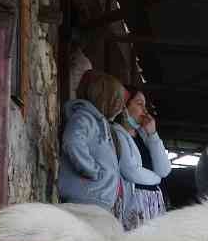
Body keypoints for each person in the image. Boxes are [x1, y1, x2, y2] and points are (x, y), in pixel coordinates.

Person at [57, 71, 130, 219]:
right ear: (105, 98)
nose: (121, 108)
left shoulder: (100, 122)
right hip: (84, 203)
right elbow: (72, 141)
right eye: (117, 100)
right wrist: (92, 171)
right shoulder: (85, 118)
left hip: (95, 203)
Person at [114, 85, 172, 230]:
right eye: (139, 104)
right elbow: (131, 171)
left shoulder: (144, 136)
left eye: (145, 105)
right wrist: (157, 178)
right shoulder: (116, 133)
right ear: (124, 107)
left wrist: (153, 135)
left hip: (152, 204)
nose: (145, 111)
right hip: (133, 204)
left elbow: (164, 169)